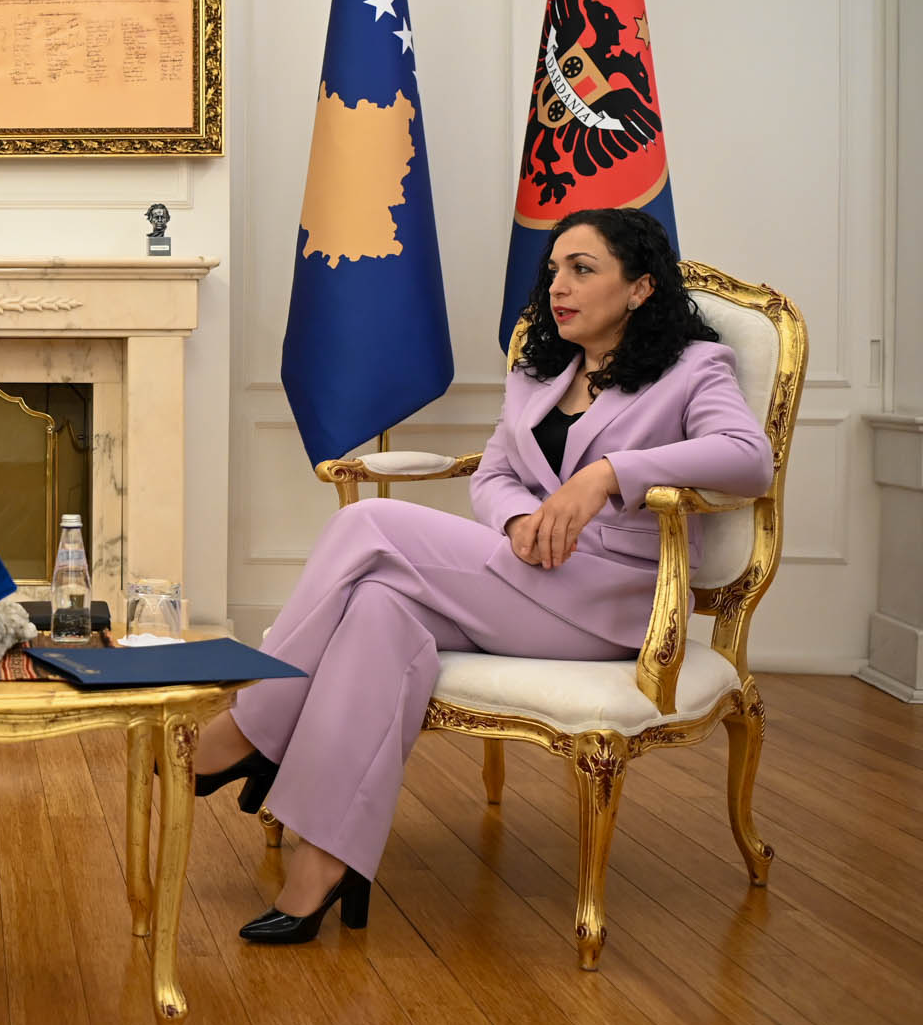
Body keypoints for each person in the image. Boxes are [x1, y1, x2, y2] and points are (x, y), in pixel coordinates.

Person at [197, 207, 772, 944]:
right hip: (528, 577)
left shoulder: (694, 368)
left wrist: (608, 474)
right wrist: (516, 518)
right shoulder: (541, 372)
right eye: (555, 269)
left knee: (367, 525)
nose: (558, 286)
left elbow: (748, 458)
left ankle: (250, 726)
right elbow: (495, 473)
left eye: (583, 269)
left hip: (614, 604)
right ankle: (325, 864)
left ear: (639, 288)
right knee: (377, 606)